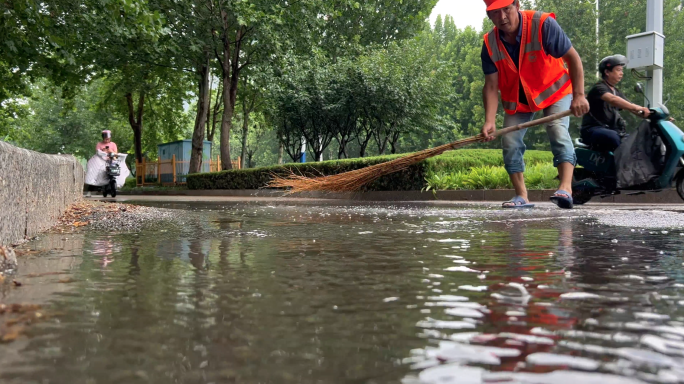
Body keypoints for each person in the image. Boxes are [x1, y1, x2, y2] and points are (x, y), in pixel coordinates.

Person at [480, 0, 590, 209]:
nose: (502, 17)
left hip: (554, 90)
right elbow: (491, 86)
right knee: (510, 141)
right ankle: (521, 196)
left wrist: (579, 95)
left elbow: (573, 58)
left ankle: (566, 188)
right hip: (519, 100)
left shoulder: (542, 24)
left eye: (506, 9)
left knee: (556, 129)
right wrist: (489, 120)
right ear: (489, 15)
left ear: (517, 5)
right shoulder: (489, 43)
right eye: (495, 12)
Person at [580, 55, 651, 152]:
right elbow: (613, 99)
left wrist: (654, 116)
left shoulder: (616, 91)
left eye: (622, 70)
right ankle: (621, 166)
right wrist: (638, 107)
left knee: (636, 141)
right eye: (618, 70)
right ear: (607, 72)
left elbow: (630, 107)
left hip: (610, 130)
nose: (621, 73)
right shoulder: (599, 88)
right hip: (593, 129)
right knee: (614, 137)